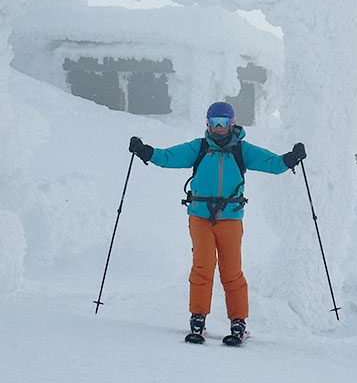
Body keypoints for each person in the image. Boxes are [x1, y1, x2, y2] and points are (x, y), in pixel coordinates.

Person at [128, 101, 306, 344]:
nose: (219, 127)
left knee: (231, 272)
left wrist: (290, 158)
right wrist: (146, 152)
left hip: (231, 218)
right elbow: (169, 157)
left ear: (232, 123)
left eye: (224, 122)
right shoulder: (199, 147)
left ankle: (238, 323)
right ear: (208, 124)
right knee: (202, 267)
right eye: (214, 122)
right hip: (200, 216)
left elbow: (271, 163)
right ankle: (198, 319)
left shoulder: (242, 150)